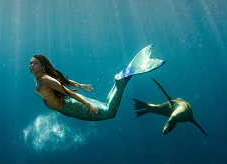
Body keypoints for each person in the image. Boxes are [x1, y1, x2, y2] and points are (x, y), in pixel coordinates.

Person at [29, 44, 165, 121]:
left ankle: (121, 80)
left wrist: (88, 105)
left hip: (71, 106)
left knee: (109, 113)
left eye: (35, 63)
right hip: (70, 103)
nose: (31, 66)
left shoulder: (45, 80)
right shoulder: (43, 77)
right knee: (107, 107)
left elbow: (67, 92)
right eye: (30, 63)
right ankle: (120, 80)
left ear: (43, 66)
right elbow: (64, 81)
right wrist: (79, 85)